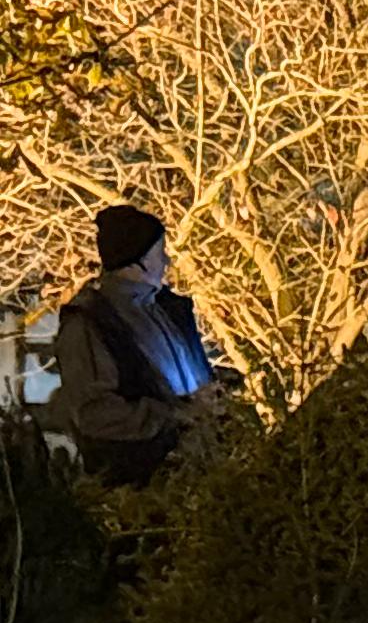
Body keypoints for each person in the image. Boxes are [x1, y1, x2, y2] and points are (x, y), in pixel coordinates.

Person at [50, 203, 236, 487]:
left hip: (205, 473)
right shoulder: (90, 324)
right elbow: (95, 413)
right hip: (145, 488)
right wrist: (172, 415)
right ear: (137, 260)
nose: (166, 262)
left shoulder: (168, 309)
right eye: (159, 253)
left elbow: (195, 381)